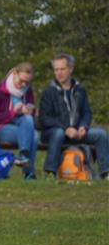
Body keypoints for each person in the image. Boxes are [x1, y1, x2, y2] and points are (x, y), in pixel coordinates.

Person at [39, 52, 109, 180]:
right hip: (54, 133)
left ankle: (106, 173)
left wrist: (83, 126)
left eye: (62, 69)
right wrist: (66, 128)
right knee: (59, 133)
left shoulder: (80, 90)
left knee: (101, 134)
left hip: (76, 132)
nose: (58, 73)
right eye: (56, 70)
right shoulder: (48, 92)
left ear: (71, 69)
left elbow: (87, 112)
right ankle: (50, 172)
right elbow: (44, 119)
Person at [0, 62, 39, 179]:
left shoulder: (28, 91)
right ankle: (29, 173)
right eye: (21, 81)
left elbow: (30, 110)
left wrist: (30, 110)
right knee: (34, 136)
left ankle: (23, 157)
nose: (23, 85)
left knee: (29, 121)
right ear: (15, 74)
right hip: (1, 128)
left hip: (21, 126)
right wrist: (13, 112)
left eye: (27, 82)